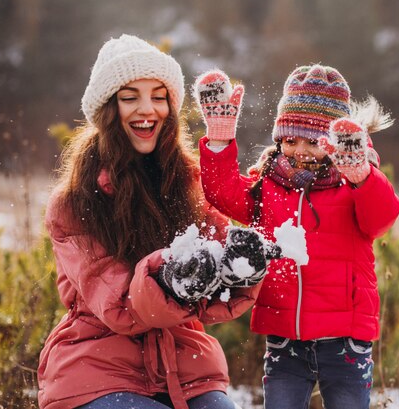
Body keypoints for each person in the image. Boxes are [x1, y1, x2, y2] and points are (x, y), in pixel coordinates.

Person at [38, 34, 261, 409]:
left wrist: (241, 266)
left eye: (159, 96)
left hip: (185, 363)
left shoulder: (186, 183)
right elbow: (119, 307)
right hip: (96, 366)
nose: (148, 109)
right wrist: (173, 274)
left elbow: (219, 266)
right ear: (108, 110)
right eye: (130, 97)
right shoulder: (73, 203)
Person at [193, 65, 399, 409]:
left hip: (346, 336)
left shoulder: (351, 184)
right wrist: (219, 138)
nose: (300, 150)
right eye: (290, 140)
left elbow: (382, 219)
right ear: (279, 138)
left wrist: (362, 177)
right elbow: (223, 193)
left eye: (313, 142)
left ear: (334, 143)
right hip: (285, 335)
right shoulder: (270, 185)